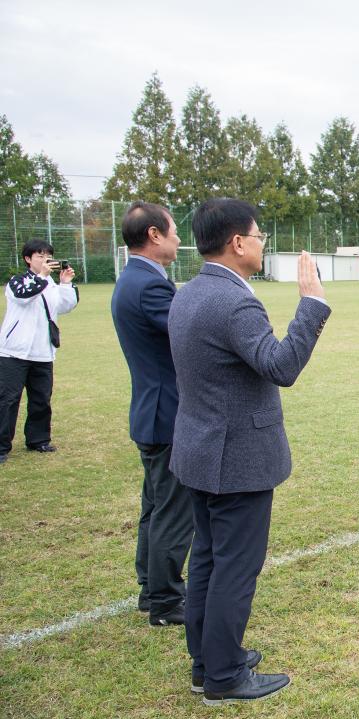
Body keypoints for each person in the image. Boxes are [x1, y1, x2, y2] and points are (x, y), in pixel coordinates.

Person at [168, 198, 330, 705]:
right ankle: (223, 676)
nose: (263, 244)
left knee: (209, 562)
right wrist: (312, 304)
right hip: (235, 459)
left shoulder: (189, 293)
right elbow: (280, 366)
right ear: (238, 243)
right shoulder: (233, 301)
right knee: (234, 567)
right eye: (259, 236)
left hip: (199, 451)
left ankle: (208, 662)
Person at [110, 202, 193, 626]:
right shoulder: (150, 286)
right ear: (155, 235)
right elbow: (187, 333)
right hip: (168, 413)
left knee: (157, 505)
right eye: (174, 231)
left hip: (151, 409)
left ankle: (150, 587)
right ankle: (163, 599)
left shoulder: (133, 278)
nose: (179, 239)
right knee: (174, 511)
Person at [0, 239, 78, 464]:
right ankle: (2, 445)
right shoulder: (17, 281)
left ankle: (38, 439)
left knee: (41, 398)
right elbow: (24, 297)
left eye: (48, 255)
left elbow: (65, 307)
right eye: (39, 255)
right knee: (8, 399)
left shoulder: (51, 284)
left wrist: (64, 284)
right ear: (28, 259)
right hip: (13, 352)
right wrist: (42, 277)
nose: (45, 259)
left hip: (43, 351)